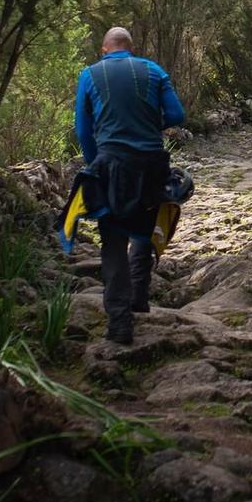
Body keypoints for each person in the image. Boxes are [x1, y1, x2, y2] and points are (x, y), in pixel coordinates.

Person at [74, 26, 185, 344]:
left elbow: (83, 129)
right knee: (142, 230)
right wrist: (150, 124)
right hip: (152, 163)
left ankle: (120, 322)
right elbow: (177, 114)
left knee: (113, 239)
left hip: (112, 163)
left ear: (104, 48)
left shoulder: (90, 74)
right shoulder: (153, 70)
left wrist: (95, 162)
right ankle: (139, 297)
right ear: (130, 48)